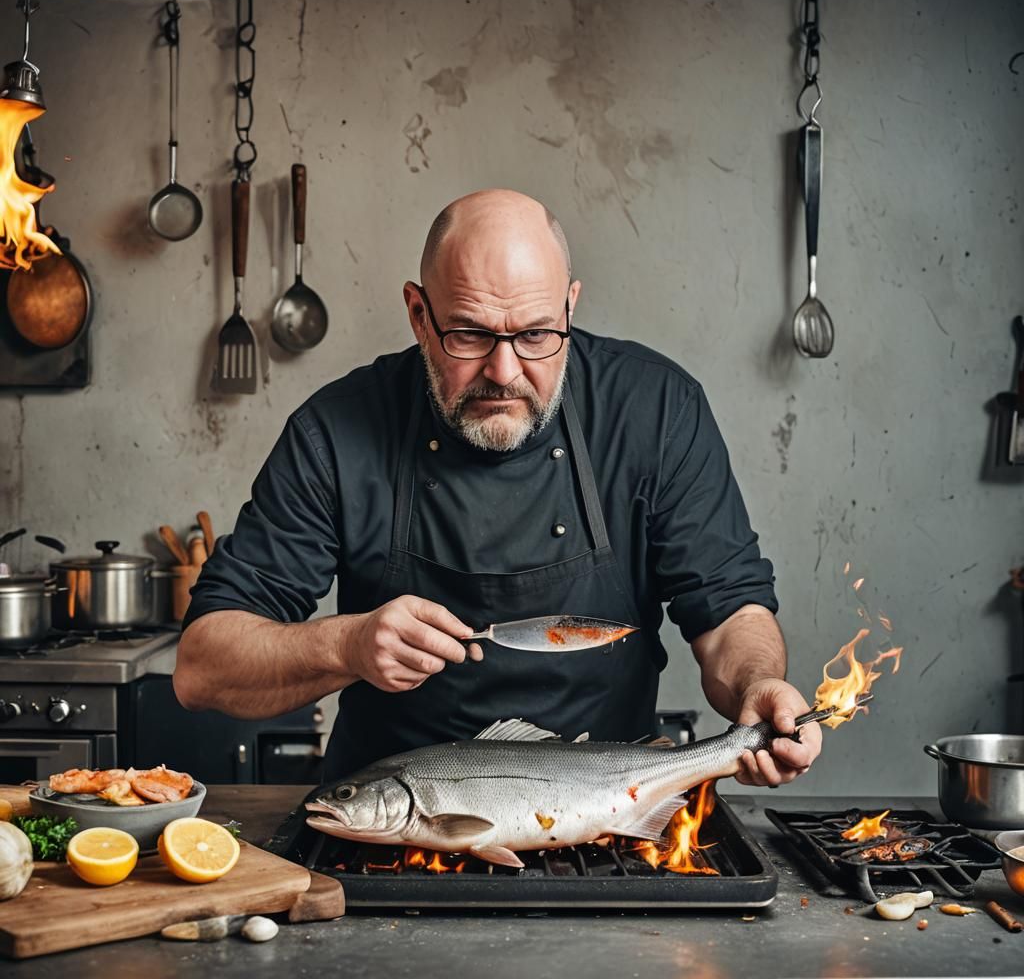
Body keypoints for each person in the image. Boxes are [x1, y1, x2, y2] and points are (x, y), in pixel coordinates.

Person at [174, 188, 821, 786]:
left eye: (536, 334)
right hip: (392, 824)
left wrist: (757, 686)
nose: (504, 371)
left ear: (569, 307)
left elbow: (729, 614)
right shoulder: (336, 431)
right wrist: (346, 646)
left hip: (612, 819)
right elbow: (203, 666)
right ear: (418, 315)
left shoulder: (655, 410)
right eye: (470, 334)